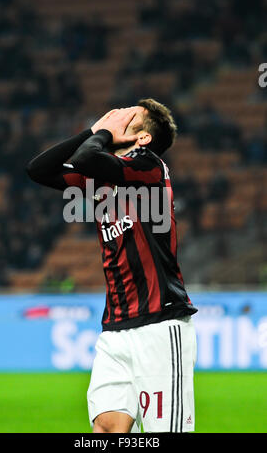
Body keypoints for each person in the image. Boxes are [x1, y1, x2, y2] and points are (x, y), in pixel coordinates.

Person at [26, 98, 198, 433]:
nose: (120, 114)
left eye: (131, 115)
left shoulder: (150, 167)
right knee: (106, 429)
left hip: (160, 325)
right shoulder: (100, 184)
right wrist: (92, 131)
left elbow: (88, 157)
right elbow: (38, 170)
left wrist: (103, 132)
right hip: (115, 329)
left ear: (143, 137)